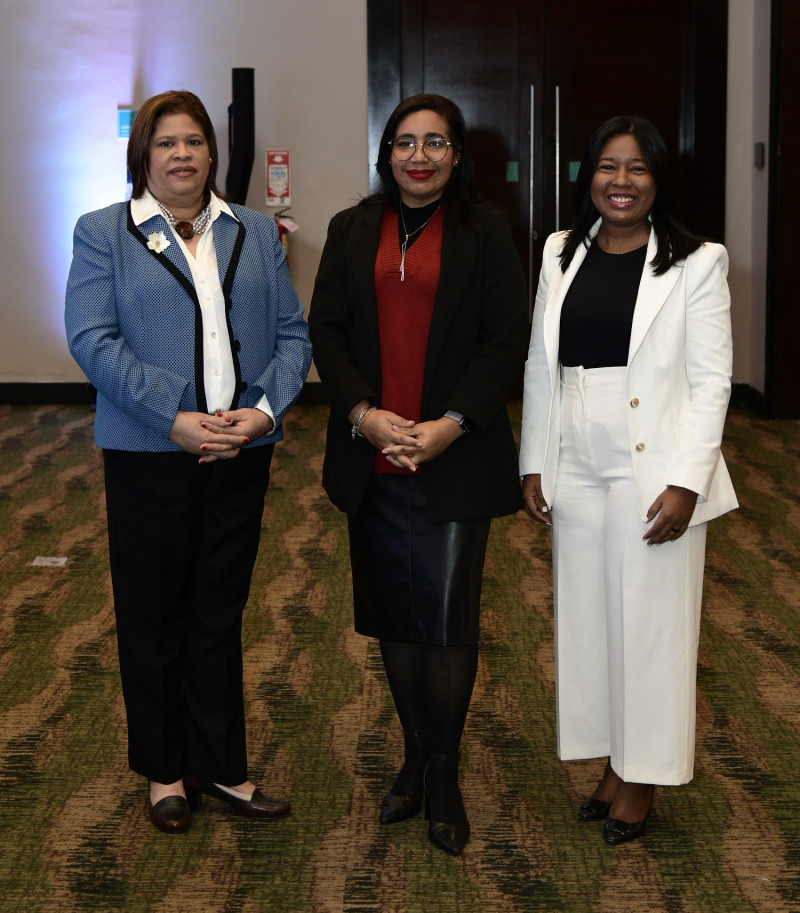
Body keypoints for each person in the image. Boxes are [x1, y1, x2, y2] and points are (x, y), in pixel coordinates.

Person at [65, 90, 312, 834]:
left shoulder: (256, 231)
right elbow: (92, 337)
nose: (182, 155)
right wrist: (170, 414)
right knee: (153, 614)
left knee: (218, 612)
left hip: (240, 451)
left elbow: (294, 335)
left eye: (194, 142)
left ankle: (222, 765)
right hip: (149, 452)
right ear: (143, 154)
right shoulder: (104, 232)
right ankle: (165, 770)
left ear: (212, 152)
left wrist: (265, 409)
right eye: (166, 142)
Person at [309, 94, 528, 856]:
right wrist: (364, 413)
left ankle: (443, 770)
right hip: (373, 452)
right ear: (387, 152)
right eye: (405, 142)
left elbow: (506, 340)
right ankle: (411, 751)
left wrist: (450, 425)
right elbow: (326, 332)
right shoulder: (349, 229)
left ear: (458, 154)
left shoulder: (487, 231)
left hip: (453, 456)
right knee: (393, 615)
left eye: (436, 142)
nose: (420, 156)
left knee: (446, 617)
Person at [520, 115, 738, 845]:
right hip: (574, 449)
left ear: (658, 179)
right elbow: (539, 362)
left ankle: (642, 775)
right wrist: (535, 458)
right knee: (588, 615)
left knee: (650, 621)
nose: (621, 181)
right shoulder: (561, 250)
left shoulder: (698, 261)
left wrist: (688, 479)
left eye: (637, 168)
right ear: (588, 176)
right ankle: (614, 759)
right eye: (607, 167)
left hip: (653, 457)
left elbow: (711, 384)